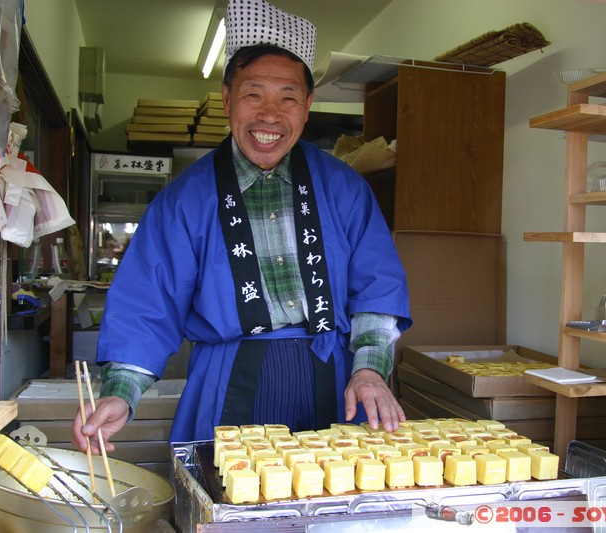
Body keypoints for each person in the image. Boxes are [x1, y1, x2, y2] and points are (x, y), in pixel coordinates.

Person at [72, 0, 412, 455]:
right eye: (254, 94)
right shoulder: (183, 200)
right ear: (227, 99)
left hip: (335, 377)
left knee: (335, 505)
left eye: (288, 97)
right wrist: (121, 391)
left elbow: (377, 285)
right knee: (226, 503)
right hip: (227, 378)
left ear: (308, 106)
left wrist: (369, 369)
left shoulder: (343, 187)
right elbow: (147, 301)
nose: (270, 115)